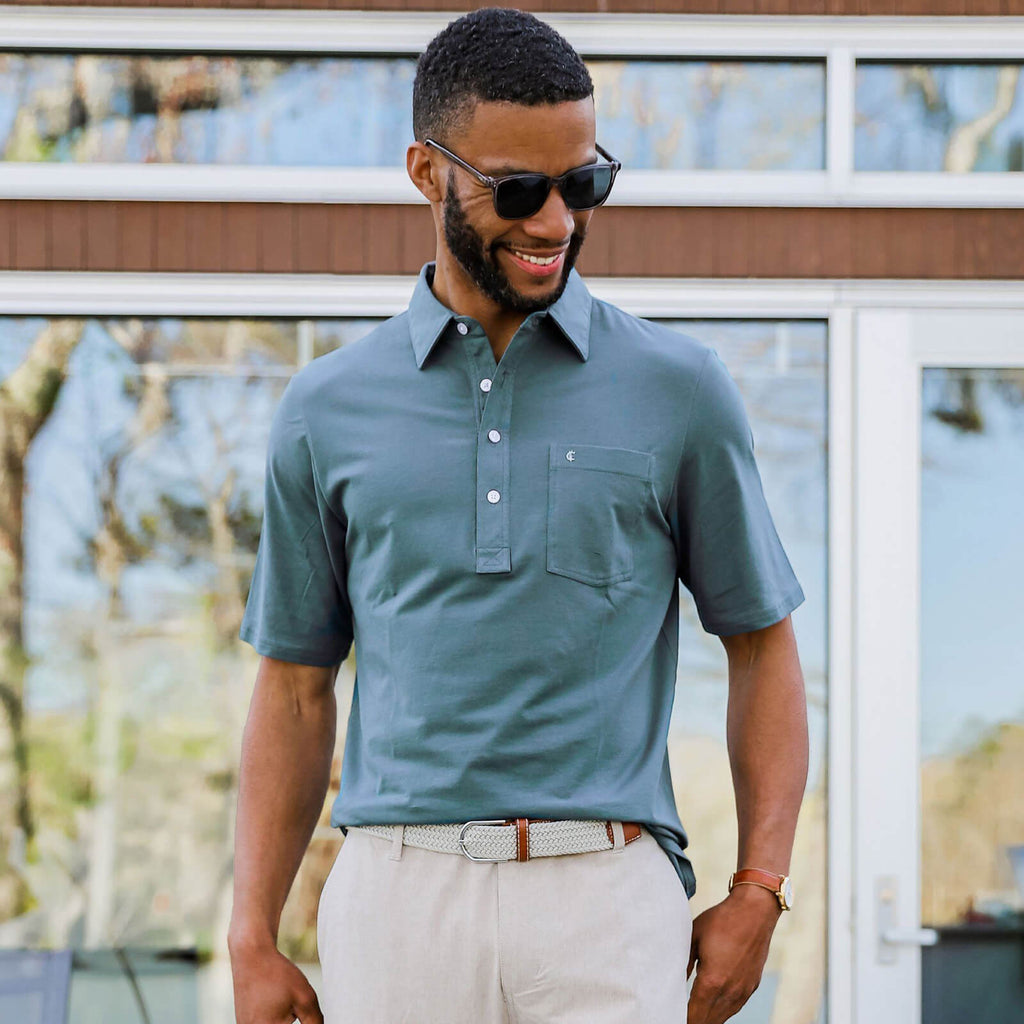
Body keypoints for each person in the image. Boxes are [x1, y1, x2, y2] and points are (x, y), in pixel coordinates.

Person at [227, 8, 809, 1024]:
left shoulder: (680, 389)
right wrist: (251, 930)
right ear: (424, 172)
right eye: (519, 191)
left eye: (582, 184)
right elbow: (292, 691)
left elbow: (761, 645)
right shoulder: (325, 408)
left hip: (607, 893)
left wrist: (758, 889)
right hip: (396, 895)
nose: (555, 224)